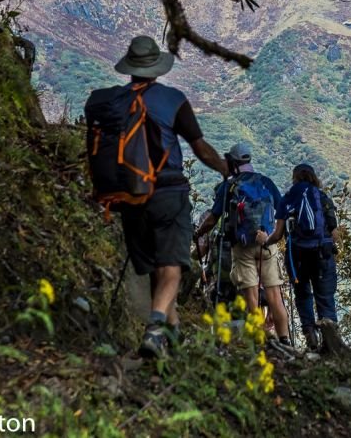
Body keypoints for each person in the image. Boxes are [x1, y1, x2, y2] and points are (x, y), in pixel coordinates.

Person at [108, 36, 228, 359]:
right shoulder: (172, 100)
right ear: (156, 69)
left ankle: (172, 335)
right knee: (172, 268)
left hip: (130, 198)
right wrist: (224, 169)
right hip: (167, 193)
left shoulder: (116, 102)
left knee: (154, 270)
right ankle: (155, 331)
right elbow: (200, 148)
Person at [196, 143, 292, 347]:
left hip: (242, 247)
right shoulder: (265, 182)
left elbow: (213, 218)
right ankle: (285, 339)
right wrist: (274, 235)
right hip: (266, 243)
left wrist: (198, 233)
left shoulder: (229, 186)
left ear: (232, 162)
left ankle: (258, 340)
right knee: (274, 295)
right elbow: (282, 209)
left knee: (251, 296)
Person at [279, 164, 338, 351]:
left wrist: (266, 242)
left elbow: (278, 232)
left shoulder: (288, 198)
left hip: (297, 257)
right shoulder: (322, 198)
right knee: (325, 297)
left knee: (303, 295)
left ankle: (310, 335)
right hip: (322, 255)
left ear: (294, 178)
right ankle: (331, 342)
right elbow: (334, 231)